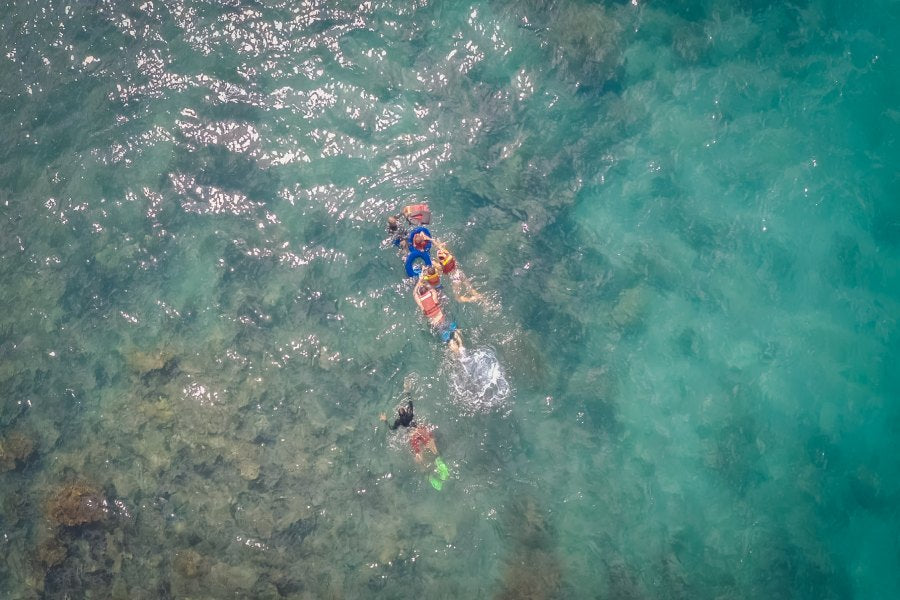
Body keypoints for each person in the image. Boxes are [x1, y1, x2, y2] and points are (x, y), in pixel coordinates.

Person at [413, 283, 463, 352]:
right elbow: (432, 288)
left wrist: (418, 283)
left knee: (449, 341)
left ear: (420, 295)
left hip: (437, 325)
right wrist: (425, 282)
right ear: (428, 291)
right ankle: (461, 346)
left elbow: (414, 294)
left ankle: (458, 354)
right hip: (444, 320)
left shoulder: (422, 305)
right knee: (455, 331)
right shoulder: (434, 298)